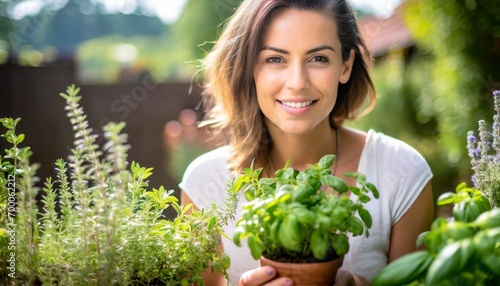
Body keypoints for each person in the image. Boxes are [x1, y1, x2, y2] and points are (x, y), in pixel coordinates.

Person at [179, 0, 434, 285]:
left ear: (345, 66)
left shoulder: (402, 171)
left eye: (319, 58)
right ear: (249, 67)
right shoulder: (204, 183)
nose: (298, 82)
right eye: (275, 59)